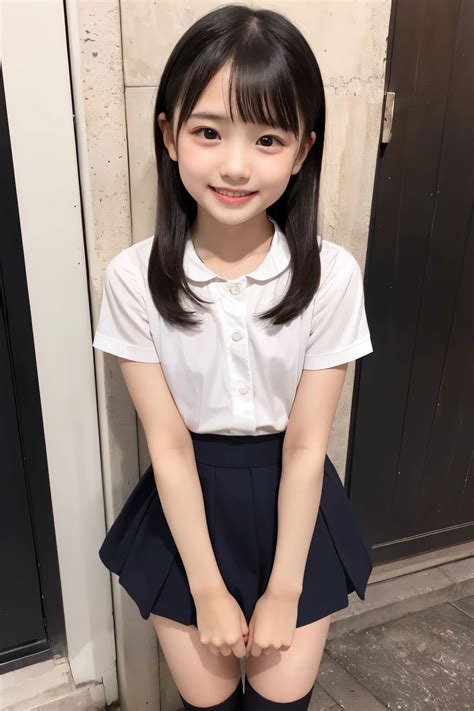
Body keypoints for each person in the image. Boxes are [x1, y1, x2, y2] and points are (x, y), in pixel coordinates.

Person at [92, 5, 374, 711]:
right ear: (170, 135)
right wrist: (208, 588)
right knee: (207, 701)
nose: (237, 165)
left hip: (294, 499)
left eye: (269, 136)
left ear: (303, 149)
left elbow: (309, 444)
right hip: (186, 505)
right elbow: (168, 442)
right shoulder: (134, 277)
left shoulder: (331, 274)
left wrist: (284, 589)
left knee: (282, 700)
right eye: (209, 132)